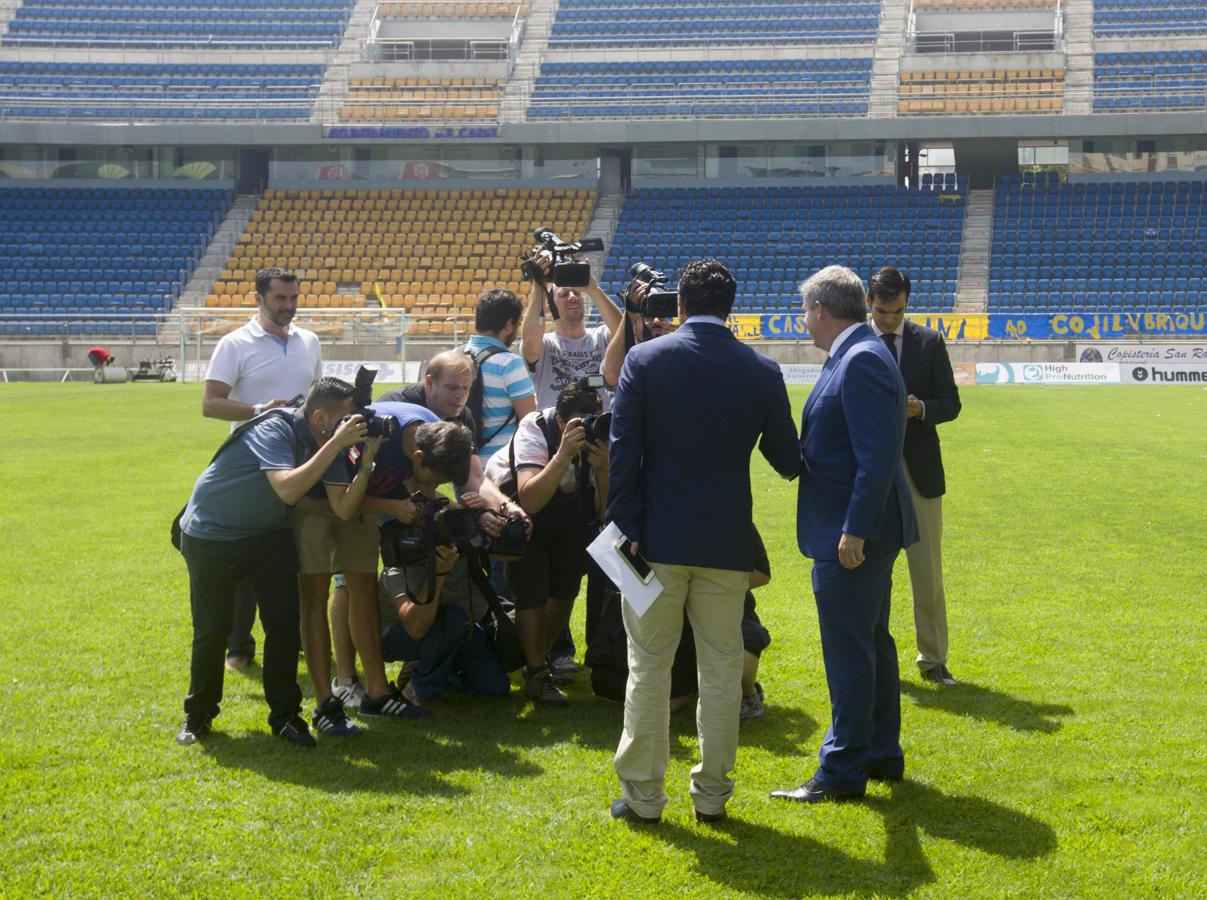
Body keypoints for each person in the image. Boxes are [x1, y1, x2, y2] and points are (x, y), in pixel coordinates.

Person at [606, 258, 800, 825]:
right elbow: (788, 460)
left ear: (681, 305)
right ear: (730, 308)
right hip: (725, 544)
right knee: (719, 673)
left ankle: (643, 797)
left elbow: (624, 454)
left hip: (652, 545)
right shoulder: (761, 371)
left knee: (649, 667)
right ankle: (712, 795)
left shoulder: (646, 359)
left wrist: (626, 530)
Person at [771, 265, 918, 805]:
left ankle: (842, 769)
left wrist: (855, 529)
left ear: (821, 310)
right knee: (871, 643)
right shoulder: (861, 355)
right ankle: (878, 753)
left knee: (850, 650)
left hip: (854, 535)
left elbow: (876, 458)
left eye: (806, 311)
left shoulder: (858, 361)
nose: (804, 321)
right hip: (859, 529)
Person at [175, 377, 368, 748]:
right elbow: (287, 488)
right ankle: (198, 715)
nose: (351, 425)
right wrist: (338, 445)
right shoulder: (276, 427)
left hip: (268, 533)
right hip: (213, 532)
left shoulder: (327, 441)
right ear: (320, 416)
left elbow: (342, 506)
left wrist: (363, 454)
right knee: (213, 628)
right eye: (345, 419)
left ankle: (286, 716)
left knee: (283, 625)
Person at [201, 266, 322, 673]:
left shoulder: (309, 340)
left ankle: (300, 636)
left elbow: (316, 398)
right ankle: (239, 645)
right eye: (279, 299)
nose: (288, 306)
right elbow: (210, 403)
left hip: (303, 460)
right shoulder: (234, 344)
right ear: (259, 299)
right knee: (247, 558)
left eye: (293, 298)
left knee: (294, 550)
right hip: (252, 466)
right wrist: (259, 410)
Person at [484, 380, 608, 706]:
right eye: (578, 423)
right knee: (532, 590)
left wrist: (604, 470)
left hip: (569, 516)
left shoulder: (602, 438)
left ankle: (537, 660)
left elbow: (603, 512)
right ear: (559, 421)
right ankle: (537, 672)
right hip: (521, 513)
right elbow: (530, 499)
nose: (587, 429)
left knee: (566, 590)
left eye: (593, 420)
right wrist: (564, 453)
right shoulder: (535, 428)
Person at [866, 267, 963, 686]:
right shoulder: (854, 340)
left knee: (926, 571)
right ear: (869, 302)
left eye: (899, 311)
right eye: (883, 311)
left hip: (919, 472)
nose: (890, 319)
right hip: (870, 472)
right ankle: (872, 656)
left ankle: (933, 659)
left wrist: (920, 408)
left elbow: (951, 403)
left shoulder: (929, 341)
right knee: (870, 572)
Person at [377, 536, 511, 709]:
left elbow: (512, 552)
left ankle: (426, 669)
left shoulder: (465, 554)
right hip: (396, 635)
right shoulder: (400, 565)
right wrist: (438, 573)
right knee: (453, 619)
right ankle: (421, 689)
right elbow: (415, 628)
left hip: (457, 627)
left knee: (494, 687)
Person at [521, 252, 623, 409]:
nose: (572, 297)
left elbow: (624, 333)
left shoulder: (601, 336)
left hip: (600, 429)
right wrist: (539, 284)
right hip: (558, 430)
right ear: (549, 307)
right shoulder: (546, 344)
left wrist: (593, 289)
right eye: (563, 294)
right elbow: (530, 343)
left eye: (577, 293)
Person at [464, 288, 538, 465]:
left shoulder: (454, 356)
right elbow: (529, 422)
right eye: (518, 324)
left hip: (462, 465)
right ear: (508, 325)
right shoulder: (509, 364)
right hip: (499, 467)